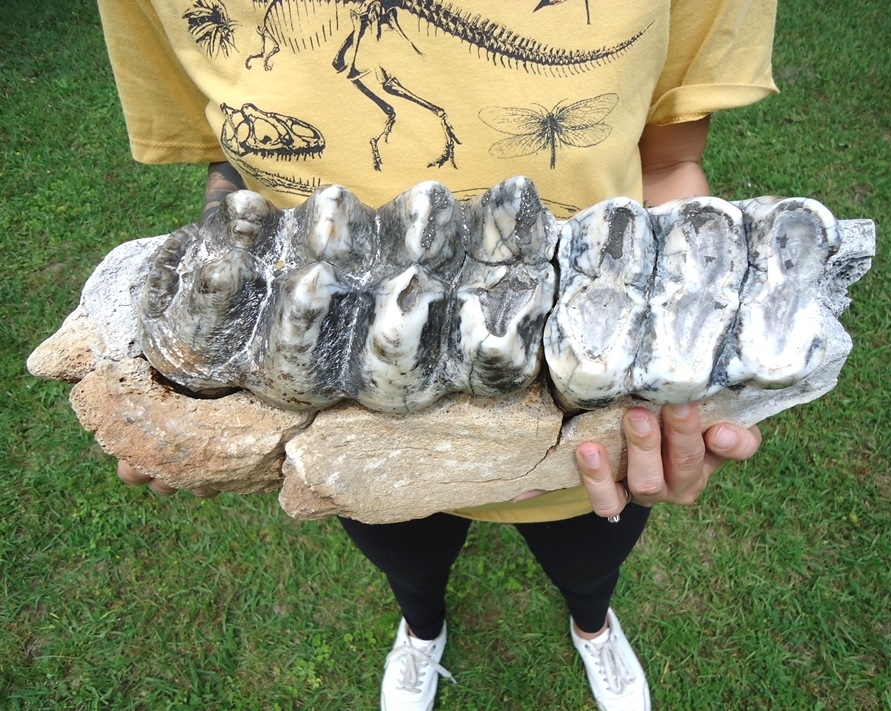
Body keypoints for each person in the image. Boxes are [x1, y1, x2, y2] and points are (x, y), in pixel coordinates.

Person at [100, 1, 774, 708]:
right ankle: (423, 631)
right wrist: (183, 389)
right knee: (409, 568)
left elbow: (669, 163)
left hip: (587, 430)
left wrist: (690, 359)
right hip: (354, 434)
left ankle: (593, 624)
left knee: (590, 565)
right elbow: (234, 159)